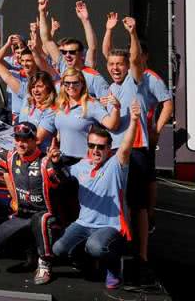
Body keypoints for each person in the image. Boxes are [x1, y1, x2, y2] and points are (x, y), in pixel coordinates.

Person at [51, 100, 142, 289]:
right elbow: (63, 177)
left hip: (111, 225)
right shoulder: (81, 165)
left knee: (95, 247)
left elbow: (126, 147)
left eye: (100, 147)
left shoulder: (116, 164)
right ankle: (88, 261)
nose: (95, 150)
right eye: (92, 146)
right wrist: (56, 162)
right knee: (58, 249)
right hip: (83, 223)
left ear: (109, 149)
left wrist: (134, 121)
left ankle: (114, 267)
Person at [0, 119, 62, 285]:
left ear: (35, 140)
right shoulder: (10, 157)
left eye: (25, 139)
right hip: (22, 215)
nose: (20, 143)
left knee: (40, 219)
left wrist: (57, 165)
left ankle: (45, 263)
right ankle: (30, 252)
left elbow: (60, 180)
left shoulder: (46, 161)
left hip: (46, 217)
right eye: (17, 139)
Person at [104, 16, 154, 265]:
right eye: (112, 64)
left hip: (135, 150)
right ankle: (123, 246)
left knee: (137, 205)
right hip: (115, 151)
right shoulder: (111, 88)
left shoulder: (134, 81)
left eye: (120, 64)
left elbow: (134, 58)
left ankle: (142, 255)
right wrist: (108, 31)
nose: (115, 68)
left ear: (128, 67)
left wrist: (132, 33)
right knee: (119, 202)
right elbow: (106, 53)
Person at [38, 0, 109, 97]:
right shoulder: (64, 65)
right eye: (64, 52)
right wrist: (42, 12)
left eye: (72, 52)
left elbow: (92, 47)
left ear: (81, 54)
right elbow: (47, 40)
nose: (67, 55)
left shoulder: (89, 71)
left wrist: (85, 20)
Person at [53, 68, 120, 159]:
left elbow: (112, 125)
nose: (71, 86)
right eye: (67, 83)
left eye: (75, 83)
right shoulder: (61, 104)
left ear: (82, 84)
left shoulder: (91, 104)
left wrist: (116, 108)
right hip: (63, 160)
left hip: (84, 161)